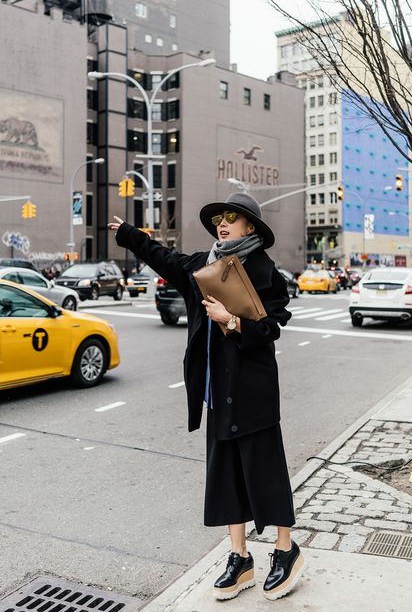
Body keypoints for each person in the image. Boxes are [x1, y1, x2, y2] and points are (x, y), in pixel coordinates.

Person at [108, 192, 304, 602]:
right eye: (219, 218)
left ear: (250, 226)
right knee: (226, 475)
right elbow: (164, 258)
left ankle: (286, 551)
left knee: (265, 472)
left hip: (253, 392)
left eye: (232, 217)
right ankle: (240, 558)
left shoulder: (265, 272)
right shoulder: (203, 265)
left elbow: (270, 329)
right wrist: (128, 234)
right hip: (217, 392)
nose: (223, 222)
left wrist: (231, 320)